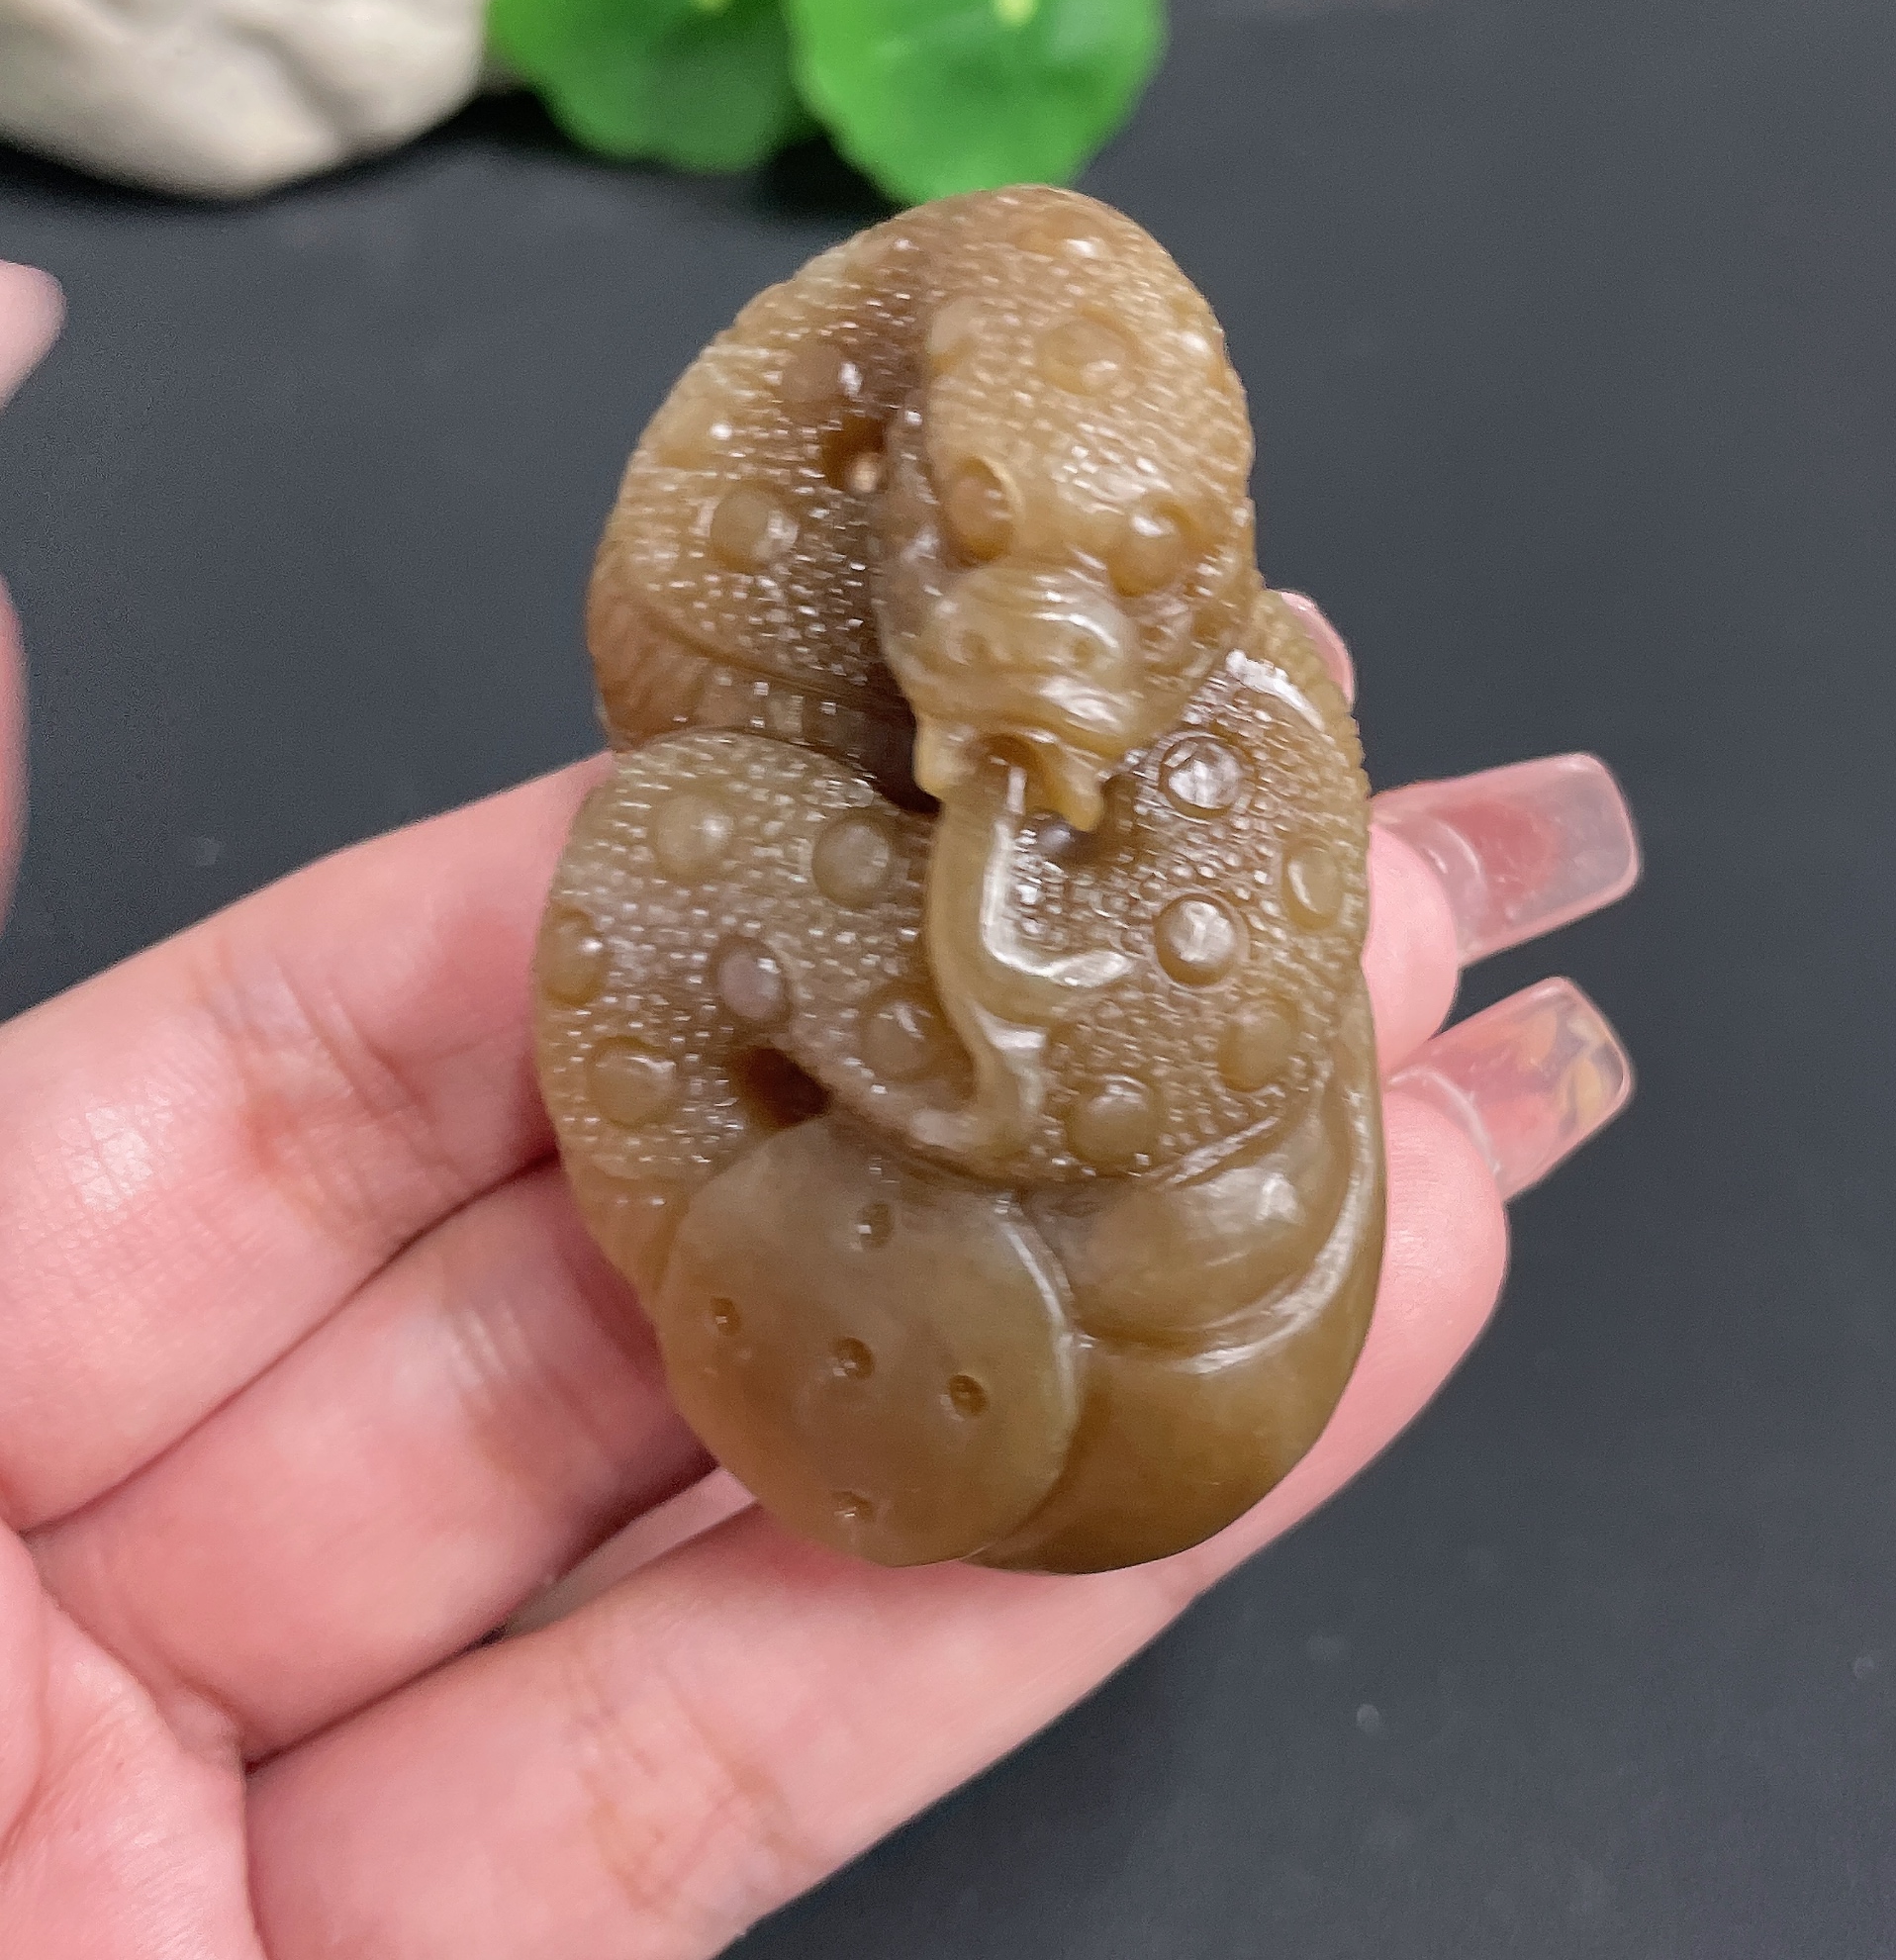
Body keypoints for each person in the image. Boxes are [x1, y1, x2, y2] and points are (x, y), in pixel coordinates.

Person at [0, 258, 1636, 1959]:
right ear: (902, 481)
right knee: (671, 849)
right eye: (975, 529)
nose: (1046, 626)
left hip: (1098, 1331)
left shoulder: (1246, 717)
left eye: (1148, 571)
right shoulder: (810, 566)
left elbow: (1164, 1029)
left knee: (679, 848)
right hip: (892, 1340)